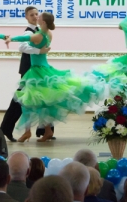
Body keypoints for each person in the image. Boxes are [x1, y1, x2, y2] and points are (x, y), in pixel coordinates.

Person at [6, 12, 104, 142]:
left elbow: (24, 38)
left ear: (43, 22)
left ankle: (29, 132)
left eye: (39, 17)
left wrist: (10, 39)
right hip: (44, 68)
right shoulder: (48, 34)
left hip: (37, 71)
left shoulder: (38, 35)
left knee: (27, 101)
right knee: (42, 102)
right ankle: (45, 131)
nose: (37, 18)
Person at [0, 6, 52, 142]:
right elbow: (22, 47)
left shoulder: (41, 31)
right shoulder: (29, 32)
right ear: (26, 17)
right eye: (31, 15)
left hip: (38, 70)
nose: (35, 16)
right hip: (29, 70)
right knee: (21, 100)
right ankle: (8, 129)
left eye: (36, 14)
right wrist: (39, 51)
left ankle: (44, 130)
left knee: (41, 98)